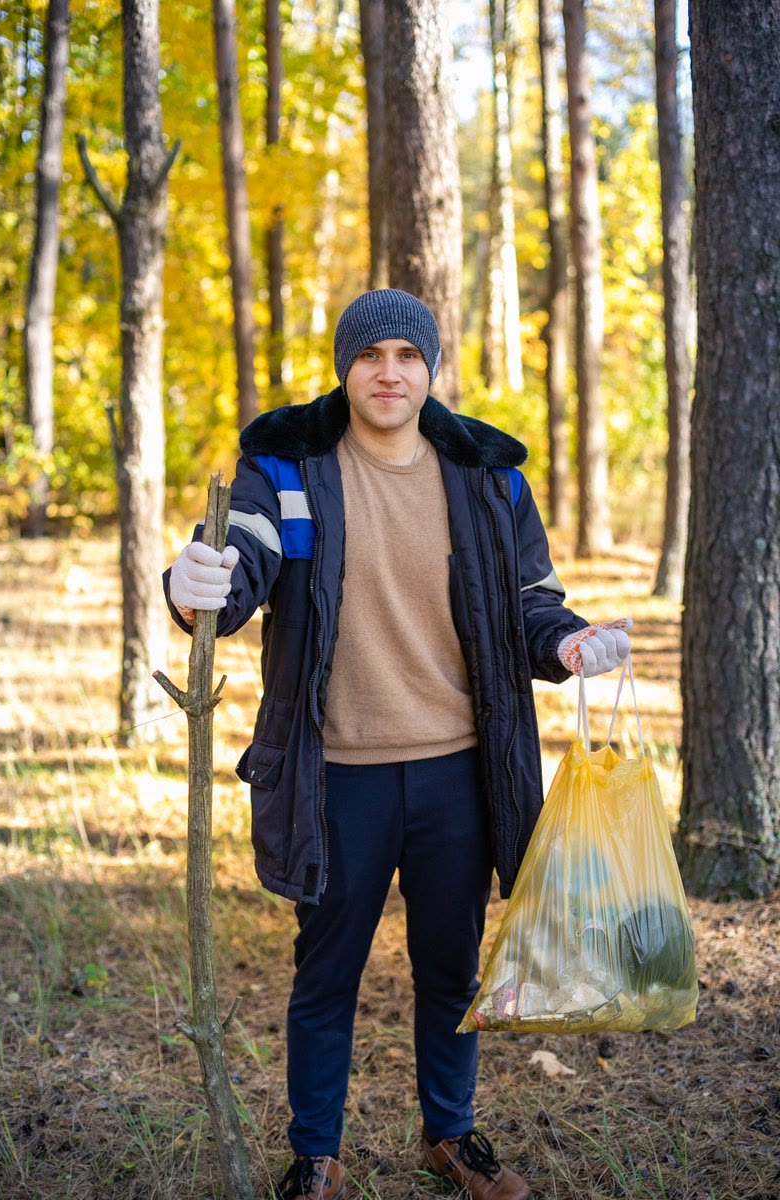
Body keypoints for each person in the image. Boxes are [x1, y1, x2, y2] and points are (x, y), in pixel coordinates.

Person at [165, 289, 632, 1200]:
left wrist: (567, 641)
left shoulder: (487, 476)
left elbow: (530, 596)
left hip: (461, 769)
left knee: (451, 968)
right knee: (327, 970)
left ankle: (452, 1137)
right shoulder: (288, 465)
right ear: (346, 368)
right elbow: (239, 562)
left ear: (429, 370)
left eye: (406, 357)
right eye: (370, 355)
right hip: (338, 774)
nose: (389, 372)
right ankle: (316, 1154)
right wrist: (196, 584)